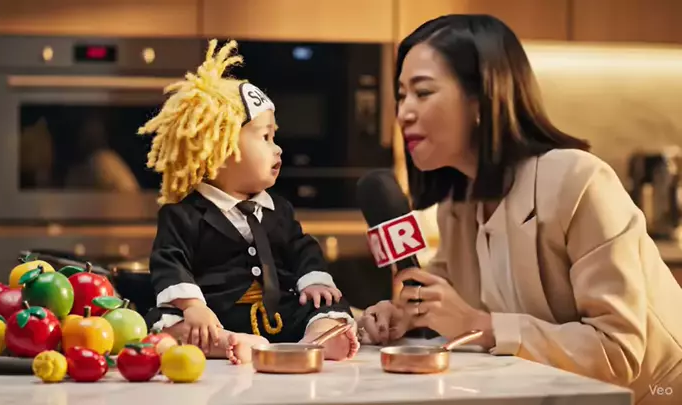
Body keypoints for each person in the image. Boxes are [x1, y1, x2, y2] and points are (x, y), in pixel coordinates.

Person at [357, 14, 682, 405]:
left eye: (422, 92)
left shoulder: (578, 181)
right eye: (401, 95)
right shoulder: (457, 206)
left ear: (482, 99)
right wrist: (405, 318)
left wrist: (481, 325)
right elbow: (447, 308)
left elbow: (617, 352)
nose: (403, 113)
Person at [139, 39, 359, 365]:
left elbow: (302, 249)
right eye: (265, 137)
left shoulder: (278, 210)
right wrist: (193, 307)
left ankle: (318, 337)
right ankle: (228, 342)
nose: (277, 148)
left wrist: (313, 281)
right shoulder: (182, 214)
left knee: (329, 305)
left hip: (279, 313)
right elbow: (169, 262)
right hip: (215, 314)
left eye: (274, 137)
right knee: (166, 322)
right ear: (221, 148)